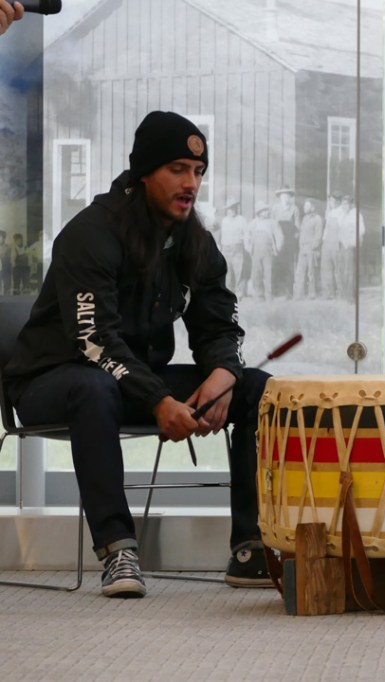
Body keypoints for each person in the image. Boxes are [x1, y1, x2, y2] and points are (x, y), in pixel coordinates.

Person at [2, 111, 273, 598]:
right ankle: (117, 549)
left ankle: (250, 544)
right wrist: (157, 400)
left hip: (129, 382)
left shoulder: (193, 238)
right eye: (177, 170)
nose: (191, 183)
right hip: (52, 382)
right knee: (93, 385)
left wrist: (223, 374)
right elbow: (95, 341)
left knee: (260, 388)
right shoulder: (91, 233)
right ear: (144, 172)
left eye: (198, 172)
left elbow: (219, 321)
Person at [247, 202, 281, 301]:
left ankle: (269, 295)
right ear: (259, 212)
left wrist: (277, 248)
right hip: (256, 252)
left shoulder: (272, 223)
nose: (266, 212)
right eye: (264, 210)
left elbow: (279, 236)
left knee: (268, 273)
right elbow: (247, 237)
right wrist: (249, 248)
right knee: (257, 273)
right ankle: (259, 295)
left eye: (267, 210)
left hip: (268, 251)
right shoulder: (253, 223)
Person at [293, 198, 323, 298]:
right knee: (300, 271)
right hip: (302, 248)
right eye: (304, 206)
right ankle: (299, 294)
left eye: (306, 205)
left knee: (311, 272)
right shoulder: (304, 218)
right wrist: (300, 244)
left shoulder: (318, 219)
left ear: (312, 207)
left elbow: (318, 235)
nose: (304, 207)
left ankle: (312, 293)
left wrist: (313, 247)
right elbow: (302, 233)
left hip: (311, 248)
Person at [219, 198, 248, 294]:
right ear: (227, 210)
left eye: (233, 208)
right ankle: (229, 292)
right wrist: (221, 246)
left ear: (236, 208)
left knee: (239, 270)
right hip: (226, 248)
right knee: (228, 270)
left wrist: (245, 244)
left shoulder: (241, 220)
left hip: (237, 247)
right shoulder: (224, 220)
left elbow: (247, 234)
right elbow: (222, 235)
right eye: (229, 209)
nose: (232, 210)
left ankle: (240, 293)